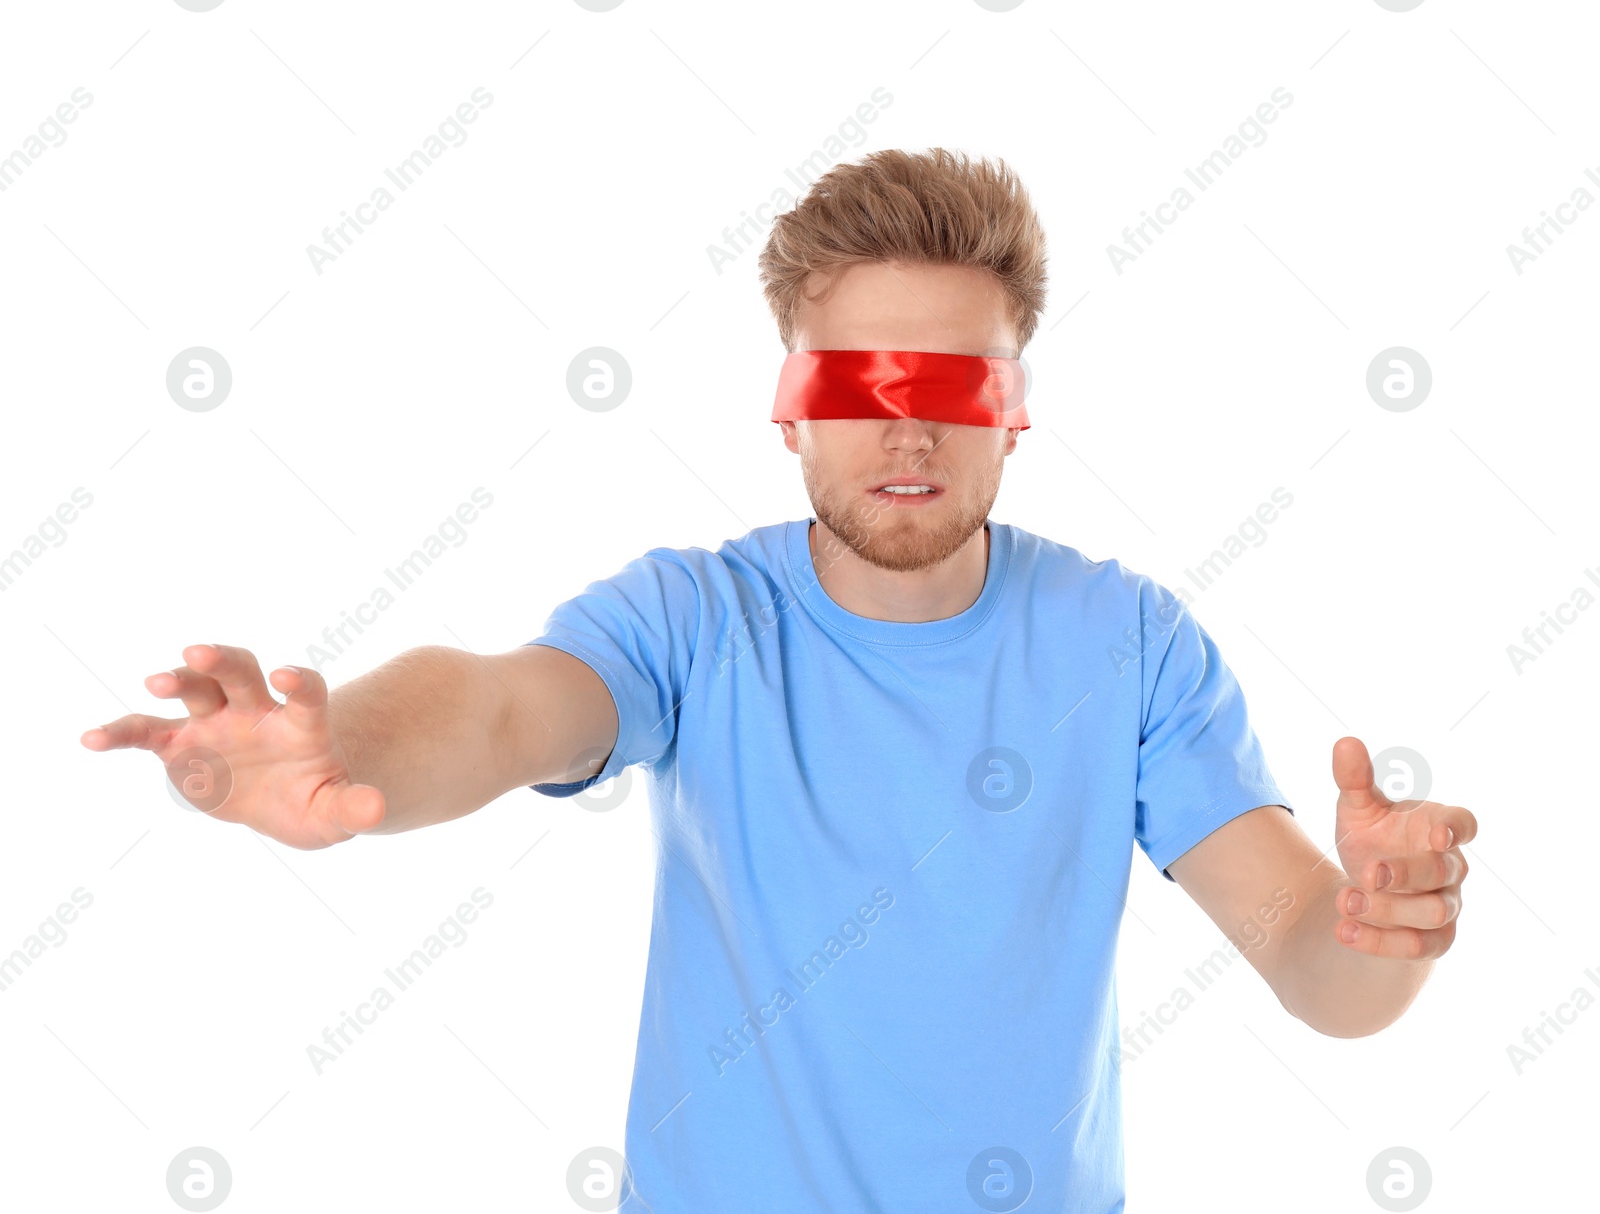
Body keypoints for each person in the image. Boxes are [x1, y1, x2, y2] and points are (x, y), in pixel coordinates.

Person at [81, 148, 1477, 1213]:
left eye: (954, 386)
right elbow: (506, 706)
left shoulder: (1127, 643)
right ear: (789, 407)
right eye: (865, 385)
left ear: (1019, 411)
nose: (909, 431)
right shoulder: (695, 618)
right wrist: (349, 754)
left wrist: (1378, 927)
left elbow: (1315, 962)